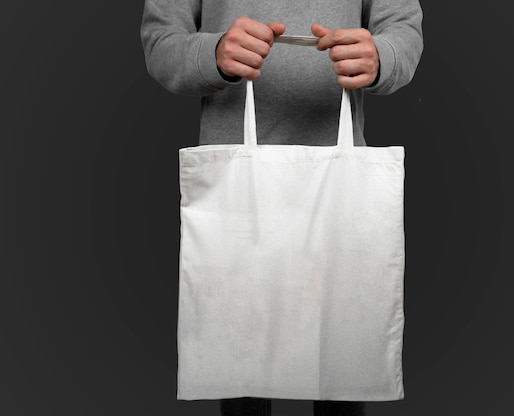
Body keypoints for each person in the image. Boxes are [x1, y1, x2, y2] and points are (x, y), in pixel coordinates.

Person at [141, 1, 422, 415]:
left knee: (341, 376)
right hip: (235, 192)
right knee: (242, 381)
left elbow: (403, 27)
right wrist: (213, 52)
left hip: (339, 193)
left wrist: (383, 56)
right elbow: (161, 40)